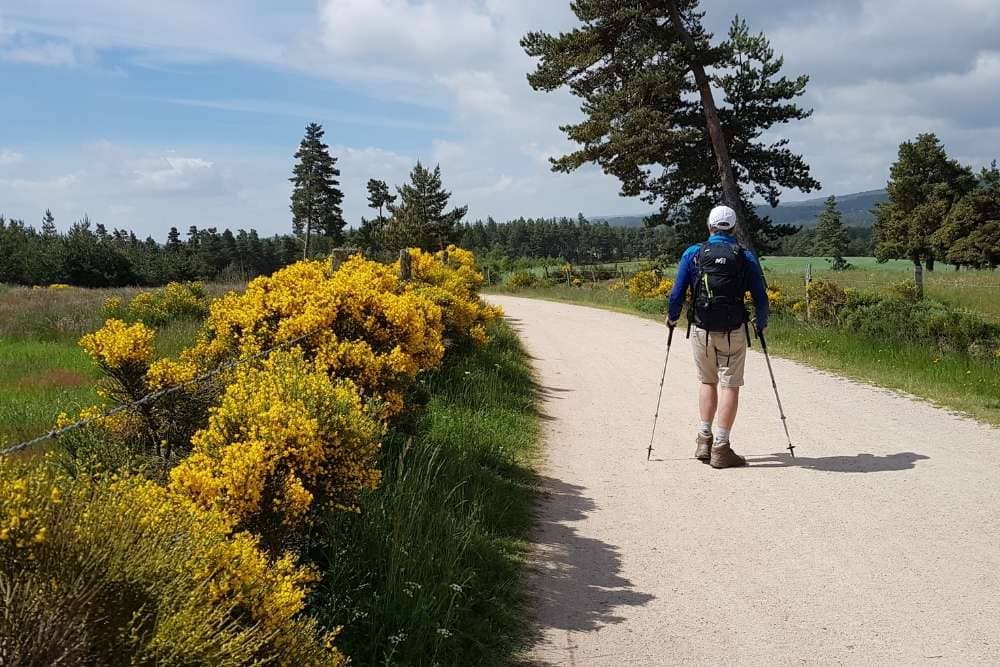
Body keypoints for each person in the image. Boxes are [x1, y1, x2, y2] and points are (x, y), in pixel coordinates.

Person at [666, 205, 769, 469]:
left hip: (702, 329)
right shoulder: (744, 256)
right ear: (733, 228)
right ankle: (722, 447)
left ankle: (704, 439)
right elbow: (760, 294)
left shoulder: (694, 253)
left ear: (710, 227)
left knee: (707, 382)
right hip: (733, 330)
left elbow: (677, 292)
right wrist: (761, 321)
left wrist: (672, 317)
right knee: (730, 386)